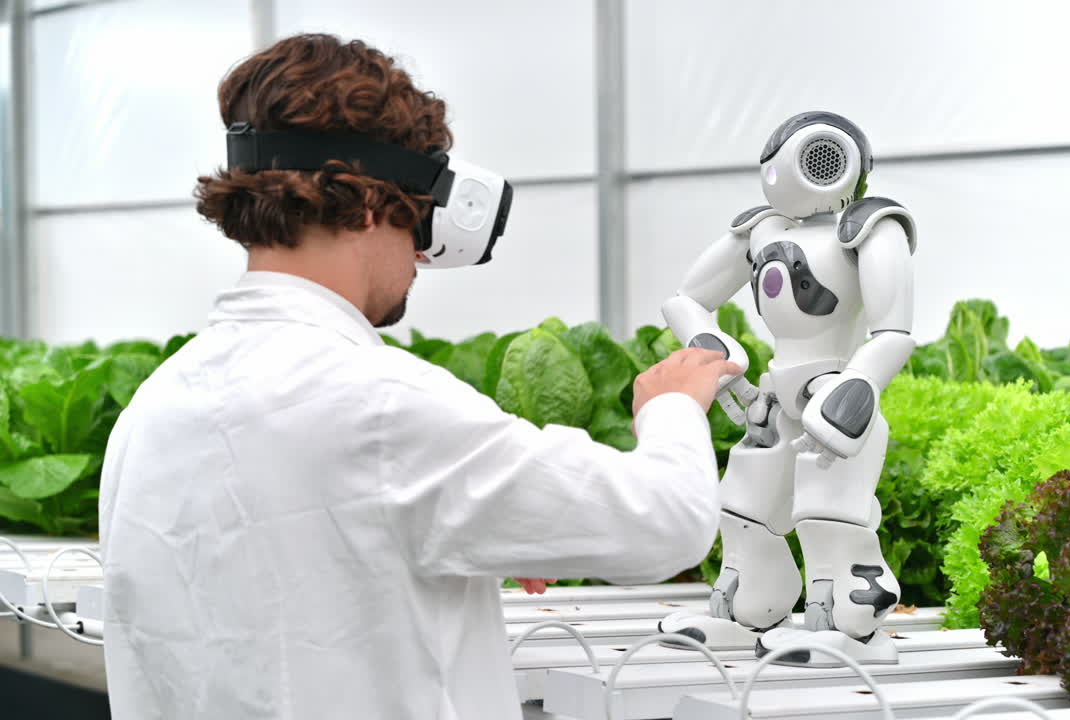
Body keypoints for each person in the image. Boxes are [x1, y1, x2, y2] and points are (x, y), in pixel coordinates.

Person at [98, 33, 739, 720]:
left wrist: (494, 522)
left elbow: (291, 569)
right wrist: (670, 406)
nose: (420, 256)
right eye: (417, 216)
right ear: (372, 201)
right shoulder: (380, 406)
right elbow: (667, 521)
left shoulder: (153, 408)